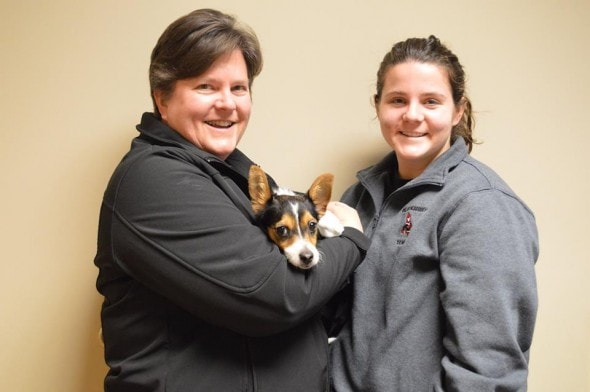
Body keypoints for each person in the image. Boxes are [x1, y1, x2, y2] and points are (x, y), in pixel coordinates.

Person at [94, 9, 367, 392]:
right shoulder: (155, 180)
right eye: (206, 87)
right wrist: (353, 240)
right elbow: (274, 295)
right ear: (162, 98)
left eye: (239, 88)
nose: (227, 104)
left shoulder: (232, 173)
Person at [329, 36, 539, 391]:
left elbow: (489, 372)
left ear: (458, 110)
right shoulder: (358, 197)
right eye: (397, 100)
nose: (412, 115)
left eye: (431, 101)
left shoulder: (480, 204)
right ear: (377, 105)